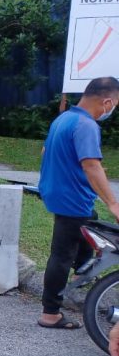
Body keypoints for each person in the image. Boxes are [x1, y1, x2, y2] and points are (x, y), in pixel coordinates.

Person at [37, 77, 119, 330]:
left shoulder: (64, 119)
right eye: (115, 104)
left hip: (59, 194)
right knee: (62, 255)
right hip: (72, 199)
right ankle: (50, 313)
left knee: (89, 234)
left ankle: (79, 278)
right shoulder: (86, 125)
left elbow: (44, 152)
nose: (113, 109)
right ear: (106, 101)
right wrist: (114, 204)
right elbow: (91, 165)